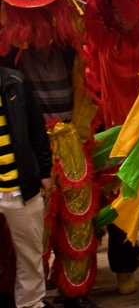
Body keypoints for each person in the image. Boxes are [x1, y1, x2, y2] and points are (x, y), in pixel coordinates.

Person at [0, 66, 52, 308]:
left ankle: (31, 304)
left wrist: (44, 171)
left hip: (22, 185)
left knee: (30, 252)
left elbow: (36, 129)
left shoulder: (16, 81)